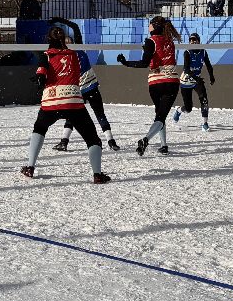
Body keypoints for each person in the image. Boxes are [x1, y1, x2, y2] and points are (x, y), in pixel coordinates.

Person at [23, 25, 111, 183]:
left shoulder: (46, 55)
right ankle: (97, 174)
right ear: (64, 39)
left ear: (48, 39)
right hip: (72, 100)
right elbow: (76, 72)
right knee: (92, 139)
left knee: (39, 128)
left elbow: (42, 71)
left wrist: (40, 79)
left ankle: (30, 167)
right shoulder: (75, 55)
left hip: (51, 101)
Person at [47, 16, 120, 153]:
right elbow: (74, 27)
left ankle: (64, 142)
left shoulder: (65, 53)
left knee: (74, 116)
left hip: (79, 90)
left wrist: (58, 22)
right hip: (88, 87)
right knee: (98, 114)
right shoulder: (75, 49)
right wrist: (60, 21)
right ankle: (111, 142)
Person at [117, 15, 181, 156]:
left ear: (154, 26)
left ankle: (159, 143)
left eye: (150, 23)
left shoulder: (150, 41)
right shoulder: (170, 41)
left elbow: (144, 63)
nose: (148, 26)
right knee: (161, 116)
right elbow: (162, 54)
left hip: (156, 82)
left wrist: (126, 63)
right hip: (171, 81)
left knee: (159, 114)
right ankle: (155, 142)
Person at [173, 32, 216, 130]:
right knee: (188, 109)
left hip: (197, 81)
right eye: (190, 40)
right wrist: (197, 78)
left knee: (204, 100)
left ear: (198, 41)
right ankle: (179, 110)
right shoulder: (187, 52)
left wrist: (212, 76)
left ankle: (205, 123)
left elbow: (208, 65)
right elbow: (186, 69)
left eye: (194, 39)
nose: (192, 41)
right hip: (186, 82)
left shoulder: (203, 52)